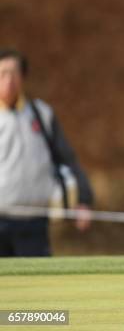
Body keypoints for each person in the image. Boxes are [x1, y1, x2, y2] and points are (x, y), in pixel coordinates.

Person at [0, 49, 94, 257]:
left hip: (35, 222)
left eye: (14, 73)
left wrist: (83, 199)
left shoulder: (41, 114)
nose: (9, 80)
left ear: (22, 77)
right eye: (3, 73)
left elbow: (66, 158)